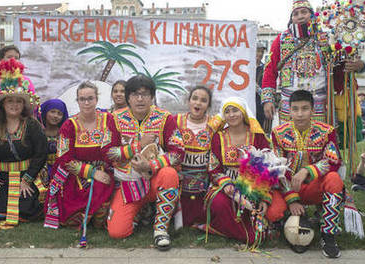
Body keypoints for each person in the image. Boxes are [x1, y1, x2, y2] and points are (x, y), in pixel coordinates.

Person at [106, 75, 184, 251]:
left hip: (155, 181)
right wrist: (137, 146)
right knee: (117, 232)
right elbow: (108, 153)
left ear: (152, 97)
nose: (140, 99)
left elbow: (178, 153)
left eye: (145, 94)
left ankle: (161, 229)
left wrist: (151, 165)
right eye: (135, 94)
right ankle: (140, 212)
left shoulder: (165, 118)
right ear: (127, 98)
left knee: (169, 174)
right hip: (128, 184)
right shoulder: (114, 118)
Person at [261, 0, 365, 128]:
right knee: (289, 143)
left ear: (312, 15)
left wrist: (359, 66)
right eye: (296, 14)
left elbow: (342, 64)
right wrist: (268, 100)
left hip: (319, 103)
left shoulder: (327, 38)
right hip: (289, 104)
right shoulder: (281, 40)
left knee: (320, 143)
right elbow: (270, 70)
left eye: (304, 12)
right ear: (291, 18)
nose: (300, 16)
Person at [267, 90, 344, 258]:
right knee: (273, 213)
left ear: (313, 110)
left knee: (334, 179)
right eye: (295, 109)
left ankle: (328, 234)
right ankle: (287, 218)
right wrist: (292, 199)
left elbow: (333, 160)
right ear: (289, 110)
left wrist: (308, 170)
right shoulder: (278, 133)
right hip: (286, 188)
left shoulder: (326, 131)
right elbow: (277, 169)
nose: (300, 114)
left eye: (304, 109)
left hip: (312, 187)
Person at [0, 58, 46, 230]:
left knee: (28, 209)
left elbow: (41, 153)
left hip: (26, 176)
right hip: (1, 177)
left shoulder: (32, 125)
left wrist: (28, 178)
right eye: (10, 101)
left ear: (24, 105)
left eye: (19, 101)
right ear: (2, 104)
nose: (14, 105)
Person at [44, 82, 118, 232]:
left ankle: (97, 217)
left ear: (97, 99)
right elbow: (64, 158)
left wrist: (101, 170)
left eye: (90, 98)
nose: (86, 103)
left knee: (103, 187)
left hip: (104, 168)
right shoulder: (69, 125)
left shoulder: (108, 120)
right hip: (75, 172)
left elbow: (111, 150)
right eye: (82, 99)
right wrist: (92, 172)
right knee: (72, 211)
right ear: (77, 101)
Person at [205, 97, 270, 244]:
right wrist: (227, 184)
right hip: (224, 187)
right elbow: (214, 168)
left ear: (243, 113)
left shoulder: (257, 136)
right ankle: (249, 236)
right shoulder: (218, 137)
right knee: (218, 203)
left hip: (253, 188)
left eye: (235, 110)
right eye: (227, 112)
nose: (231, 115)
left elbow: (267, 167)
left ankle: (225, 228)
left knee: (271, 210)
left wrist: (262, 195)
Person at [174, 86, 220, 228]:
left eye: (203, 100)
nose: (198, 103)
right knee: (183, 222)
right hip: (180, 182)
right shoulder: (176, 121)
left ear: (209, 105)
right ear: (189, 101)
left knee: (198, 218)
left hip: (203, 185)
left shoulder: (214, 124)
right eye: (194, 98)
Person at [40, 99, 69, 180]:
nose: (56, 116)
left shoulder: (65, 133)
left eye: (59, 113)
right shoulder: (37, 132)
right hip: (39, 174)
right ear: (45, 112)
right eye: (52, 111)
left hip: (61, 173)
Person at [255, 43, 267, 131]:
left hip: (260, 104)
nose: (260, 54)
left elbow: (267, 88)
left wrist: (257, 89)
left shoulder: (265, 69)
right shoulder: (245, 67)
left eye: (262, 52)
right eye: (258, 51)